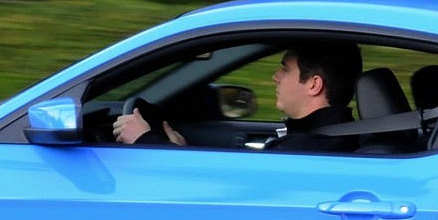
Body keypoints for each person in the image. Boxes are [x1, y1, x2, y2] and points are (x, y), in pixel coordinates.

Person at [114, 42, 362, 153]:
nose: (275, 77)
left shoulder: (301, 149)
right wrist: (180, 151)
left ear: (313, 84)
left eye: (285, 69)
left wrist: (146, 140)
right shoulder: (326, 139)